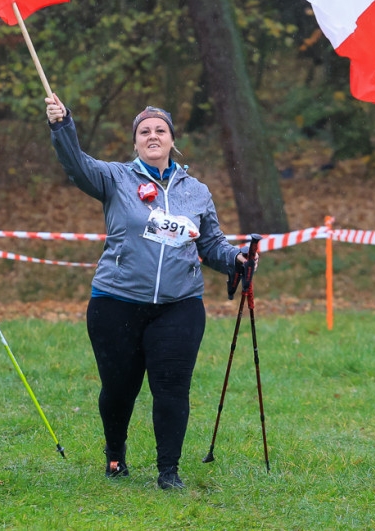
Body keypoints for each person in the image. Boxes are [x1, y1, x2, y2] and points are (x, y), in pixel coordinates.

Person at [45, 93, 253, 490]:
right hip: (116, 303)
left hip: (179, 305)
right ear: (136, 142)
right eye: (144, 131)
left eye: (160, 130)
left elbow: (211, 244)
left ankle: (168, 471)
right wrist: (62, 125)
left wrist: (237, 259)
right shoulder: (115, 178)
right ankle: (115, 456)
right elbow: (77, 164)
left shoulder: (196, 191)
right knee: (119, 389)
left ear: (172, 140)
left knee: (172, 388)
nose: (153, 136)